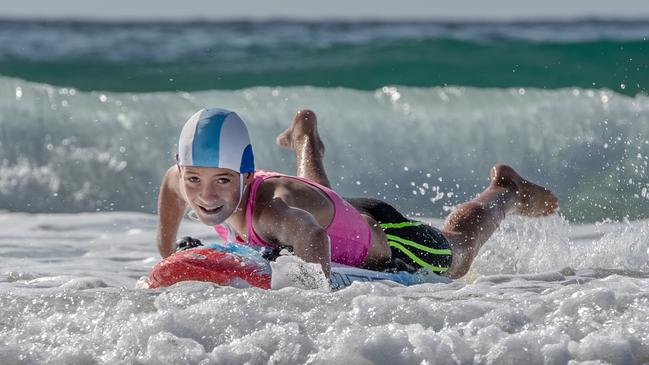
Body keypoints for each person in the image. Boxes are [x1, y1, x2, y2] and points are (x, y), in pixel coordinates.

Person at [156, 108, 559, 279]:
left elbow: (313, 238)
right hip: (333, 214)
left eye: (222, 181)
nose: (205, 195)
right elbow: (170, 189)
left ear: (244, 173)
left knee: (459, 253)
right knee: (316, 206)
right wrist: (166, 250)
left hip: (391, 242)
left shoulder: (273, 213)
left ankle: (505, 189)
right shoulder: (182, 178)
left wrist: (315, 302)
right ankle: (305, 137)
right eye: (194, 179)